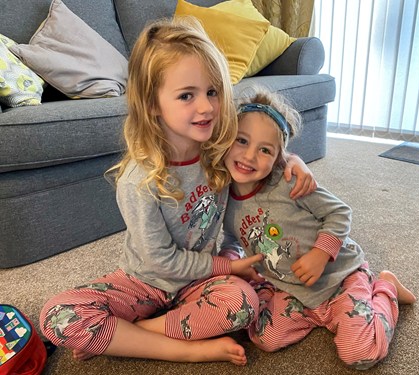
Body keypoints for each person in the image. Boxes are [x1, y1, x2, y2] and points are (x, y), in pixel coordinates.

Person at [39, 18, 315, 366]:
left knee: (243, 304)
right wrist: (224, 267)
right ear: (152, 103)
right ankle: (185, 348)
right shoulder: (138, 180)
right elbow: (160, 260)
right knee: (57, 316)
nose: (206, 107)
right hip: (143, 281)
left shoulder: (220, 148)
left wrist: (293, 160)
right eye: (187, 95)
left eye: (212, 91)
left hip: (198, 280)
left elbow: (263, 140)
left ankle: (132, 333)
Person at [221, 87, 416, 370]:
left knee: (360, 354)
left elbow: (339, 213)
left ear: (279, 157)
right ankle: (324, 316)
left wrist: (321, 253)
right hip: (294, 290)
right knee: (264, 337)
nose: (250, 156)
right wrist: (231, 259)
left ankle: (385, 286)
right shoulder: (223, 198)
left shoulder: (290, 182)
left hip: (339, 277)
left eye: (265, 149)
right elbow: (232, 237)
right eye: (241, 140)